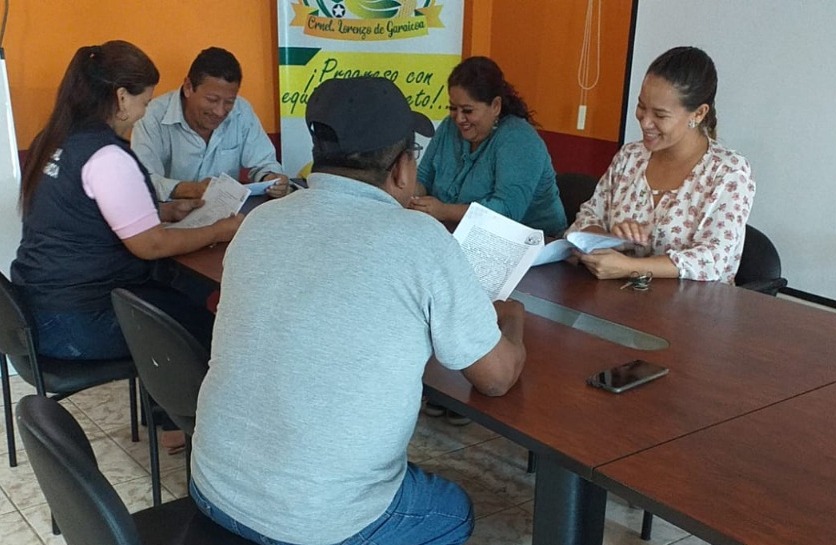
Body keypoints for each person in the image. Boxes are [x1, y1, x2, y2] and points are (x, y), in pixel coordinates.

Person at [190, 77, 527, 545]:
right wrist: (512, 318)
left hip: (213, 487)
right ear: (403, 169)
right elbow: (496, 378)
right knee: (455, 511)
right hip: (318, 524)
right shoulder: (420, 240)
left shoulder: (259, 221)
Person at [10, 41, 242, 451]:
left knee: (180, 294)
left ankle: (164, 420)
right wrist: (219, 230)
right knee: (207, 326)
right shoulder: (106, 155)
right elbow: (150, 245)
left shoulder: (57, 140)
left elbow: (87, 214)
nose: (145, 111)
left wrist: (162, 210)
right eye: (145, 100)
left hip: (36, 311)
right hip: (75, 323)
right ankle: (187, 430)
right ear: (121, 97)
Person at [567, 46, 755, 284]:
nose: (645, 122)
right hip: (616, 296)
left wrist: (631, 267)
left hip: (689, 304)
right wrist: (607, 239)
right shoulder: (630, 157)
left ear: (698, 114)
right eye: (641, 106)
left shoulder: (728, 172)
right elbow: (587, 218)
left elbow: (712, 260)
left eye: (660, 115)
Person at [410, 56, 566, 237]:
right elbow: (424, 178)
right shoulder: (448, 127)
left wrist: (444, 211)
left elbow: (507, 211)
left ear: (495, 106)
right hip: (455, 234)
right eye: (452, 108)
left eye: (467, 111)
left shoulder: (519, 139)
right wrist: (408, 194)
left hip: (531, 242)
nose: (458, 118)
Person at [131, 46, 289, 202]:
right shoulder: (151, 116)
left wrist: (271, 179)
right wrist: (190, 189)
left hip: (226, 213)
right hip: (169, 213)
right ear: (188, 87)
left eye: (229, 101)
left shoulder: (242, 111)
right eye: (212, 100)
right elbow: (142, 180)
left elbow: (265, 162)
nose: (220, 111)